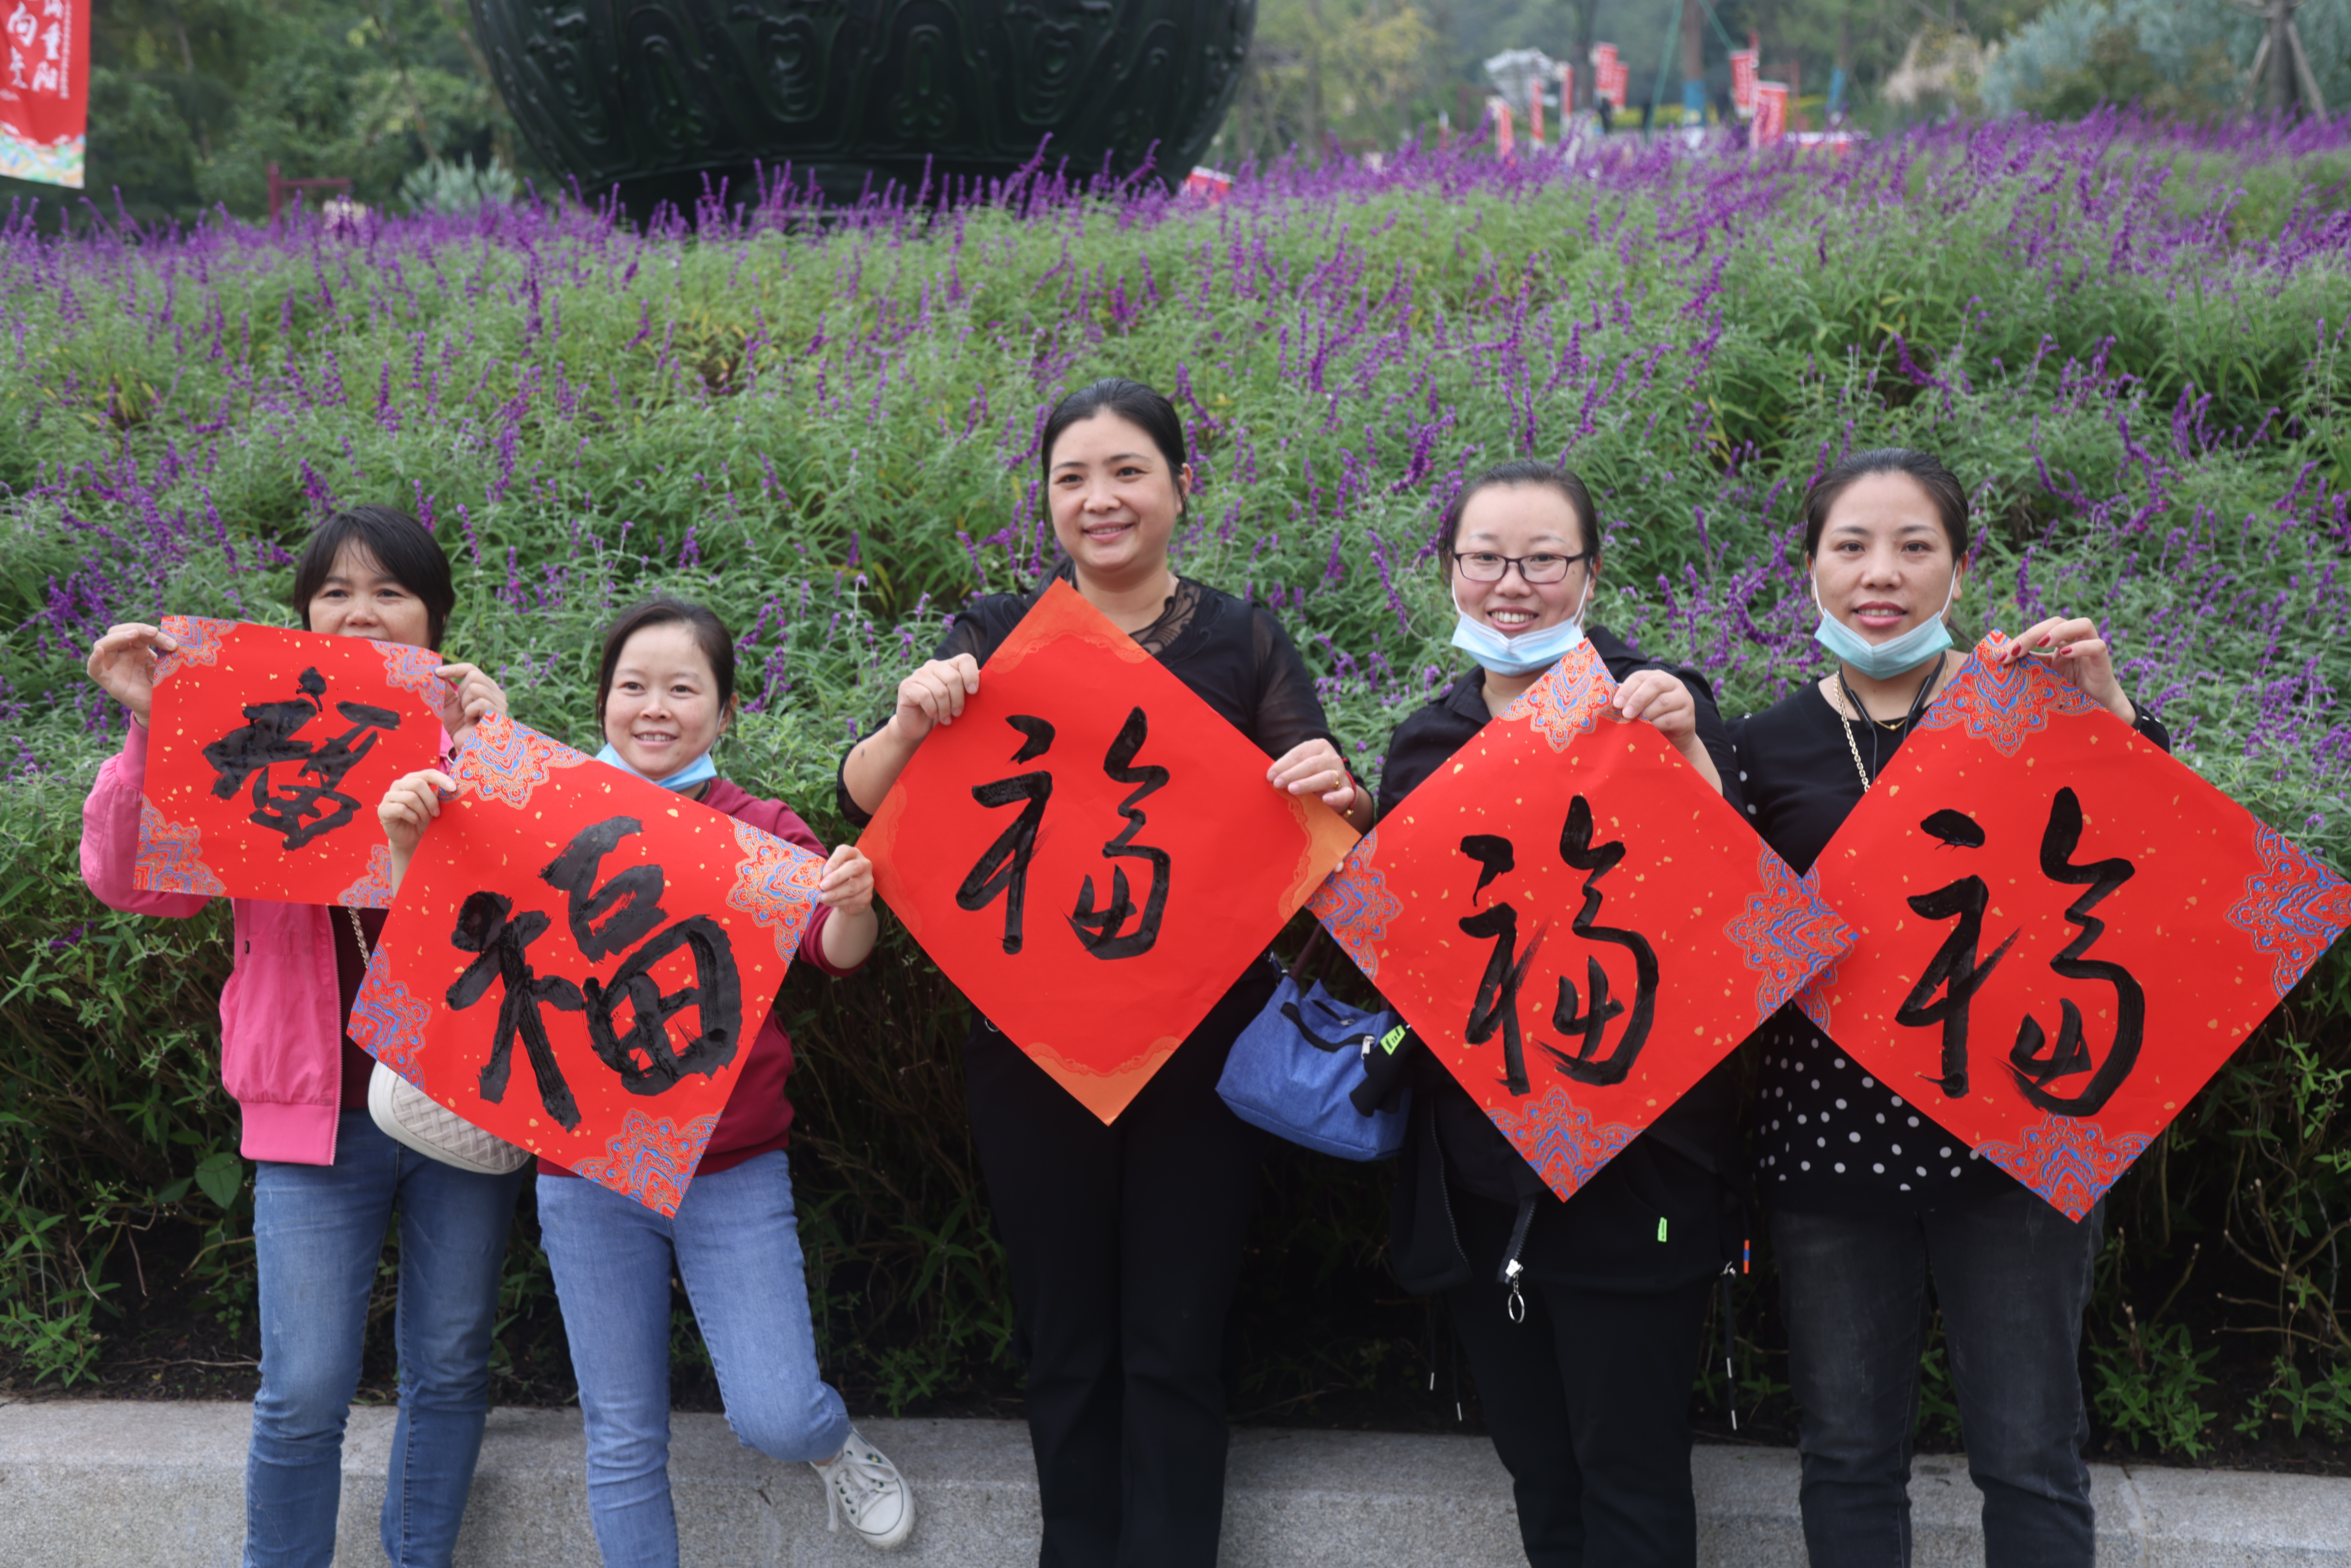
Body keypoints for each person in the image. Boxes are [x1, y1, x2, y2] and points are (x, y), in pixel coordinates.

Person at [836, 377, 1373, 1568]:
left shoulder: (1243, 640)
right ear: (1045, 500)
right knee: (1063, 1336)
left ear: (1181, 487)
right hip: (1032, 1043)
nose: (1100, 498)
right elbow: (866, 803)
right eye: (1072, 476)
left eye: (1128, 470)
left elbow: (1324, 826)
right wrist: (910, 719)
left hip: (1202, 1047)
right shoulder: (994, 632)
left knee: (1177, 1341)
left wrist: (1335, 785)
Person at [376, 597, 913, 1563]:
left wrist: (853, 902)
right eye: (633, 686)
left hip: (732, 1167)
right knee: (622, 1438)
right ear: (603, 701)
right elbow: (449, 932)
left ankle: (834, 1445)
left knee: (777, 1413)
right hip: (584, 1170)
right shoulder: (545, 805)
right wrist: (413, 836)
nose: (654, 708)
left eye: (682, 688)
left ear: (727, 709)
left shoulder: (756, 827)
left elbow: (838, 955)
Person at [1730, 448, 2169, 1568]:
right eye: (1851, 545)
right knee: (1843, 1454)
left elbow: (2148, 872)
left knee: (2029, 1452)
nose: (1881, 573)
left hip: (2018, 1143)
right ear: (1810, 568)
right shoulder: (1760, 745)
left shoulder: (2025, 714)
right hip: (1828, 1155)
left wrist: (2108, 713)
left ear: (1960, 570)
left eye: (1914, 546)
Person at [79, 504, 516, 1568]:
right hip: (313, 1113)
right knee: (305, 1388)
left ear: (436, 622)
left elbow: (529, 914)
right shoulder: (247, 739)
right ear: (305, 621)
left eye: (390, 594)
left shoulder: (484, 740)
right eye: (335, 594)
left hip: (455, 1098)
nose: (362, 614)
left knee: (451, 1366)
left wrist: (498, 750)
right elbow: (133, 886)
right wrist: (156, 724)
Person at [1375, 460, 1742, 1568]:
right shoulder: (1426, 743)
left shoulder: (1655, 705)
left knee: (1631, 1474)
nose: (1512, 584)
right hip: (1485, 1181)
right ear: (1450, 570)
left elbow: (1740, 917)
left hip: (1639, 1172)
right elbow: (1404, 954)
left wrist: (1686, 752)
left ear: (1590, 572)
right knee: (1540, 1469)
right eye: (1485, 558)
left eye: (1545, 559)